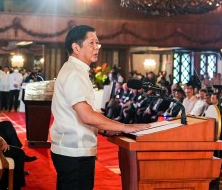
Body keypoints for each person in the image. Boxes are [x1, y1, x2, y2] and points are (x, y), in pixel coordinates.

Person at [50, 25, 149, 190]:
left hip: (74, 149)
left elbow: (85, 112)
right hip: (73, 151)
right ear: (76, 47)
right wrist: (125, 126)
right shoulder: (74, 73)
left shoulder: (77, 70)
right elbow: (86, 115)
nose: (96, 47)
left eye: (97, 43)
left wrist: (105, 128)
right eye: (91, 43)